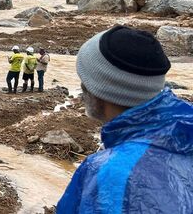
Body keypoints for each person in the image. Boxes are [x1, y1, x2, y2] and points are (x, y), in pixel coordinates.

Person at [57, 26, 193, 213]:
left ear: (100, 92)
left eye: (85, 82)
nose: (82, 90)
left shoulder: (107, 172)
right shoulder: (186, 129)